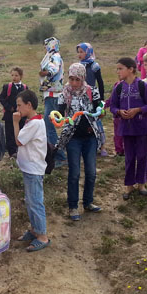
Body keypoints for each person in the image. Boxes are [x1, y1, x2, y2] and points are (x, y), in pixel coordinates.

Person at [57, 63, 104, 220]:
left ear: (83, 78)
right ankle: (73, 206)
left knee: (91, 172)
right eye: (71, 79)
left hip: (90, 138)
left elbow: (100, 110)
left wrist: (99, 113)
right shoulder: (64, 93)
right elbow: (59, 113)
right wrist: (60, 118)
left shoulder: (92, 91)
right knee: (74, 173)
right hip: (73, 138)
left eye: (77, 79)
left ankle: (88, 202)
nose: (74, 83)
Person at [108, 57, 147, 200]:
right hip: (126, 129)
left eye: (120, 68)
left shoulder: (142, 86)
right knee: (129, 157)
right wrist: (119, 112)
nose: (118, 71)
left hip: (141, 128)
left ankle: (141, 184)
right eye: (117, 69)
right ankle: (129, 185)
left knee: (142, 156)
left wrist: (138, 110)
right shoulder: (119, 87)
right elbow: (113, 106)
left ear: (131, 69)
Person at [13, 90, 50, 251]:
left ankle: (42, 236)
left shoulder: (34, 123)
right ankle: (35, 229)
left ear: (29, 105)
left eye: (19, 105)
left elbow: (19, 141)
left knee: (35, 202)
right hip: (30, 167)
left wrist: (15, 122)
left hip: (33, 169)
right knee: (30, 200)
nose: (17, 108)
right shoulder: (33, 121)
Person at [39, 37, 66, 164]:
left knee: (49, 126)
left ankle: (59, 155)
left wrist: (46, 73)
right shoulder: (52, 55)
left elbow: (53, 69)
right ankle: (57, 153)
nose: (45, 47)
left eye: (46, 44)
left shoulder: (54, 56)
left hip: (53, 94)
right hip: (50, 94)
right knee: (48, 126)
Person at [0, 67, 27, 158]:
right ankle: (11, 150)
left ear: (21, 76)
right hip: (9, 115)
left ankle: (19, 148)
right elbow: (1, 98)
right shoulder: (7, 87)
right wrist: (8, 107)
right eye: (12, 75)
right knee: (9, 132)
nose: (14, 77)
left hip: (21, 115)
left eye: (16, 75)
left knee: (21, 130)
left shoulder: (25, 87)